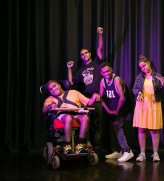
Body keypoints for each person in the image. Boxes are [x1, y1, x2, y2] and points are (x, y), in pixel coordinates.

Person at [66, 26, 105, 155]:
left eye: (86, 53)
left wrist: (100, 34)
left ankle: (97, 149)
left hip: (97, 98)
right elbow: (72, 82)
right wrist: (69, 68)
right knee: (86, 124)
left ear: (90, 54)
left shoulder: (96, 63)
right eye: (82, 54)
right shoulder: (81, 70)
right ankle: (87, 147)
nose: (84, 55)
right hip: (86, 100)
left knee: (97, 125)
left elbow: (100, 48)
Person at [42, 80, 100, 154]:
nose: (53, 89)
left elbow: (89, 102)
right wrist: (50, 106)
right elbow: (44, 110)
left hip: (76, 113)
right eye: (50, 89)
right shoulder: (50, 98)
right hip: (62, 115)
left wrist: (94, 96)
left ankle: (80, 144)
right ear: (50, 92)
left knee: (85, 117)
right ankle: (67, 145)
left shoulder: (74, 92)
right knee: (68, 117)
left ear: (59, 85)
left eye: (54, 86)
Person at [132, 55, 164, 162]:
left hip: (153, 104)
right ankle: (142, 153)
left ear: (148, 63)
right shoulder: (139, 77)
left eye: (144, 65)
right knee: (141, 129)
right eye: (141, 67)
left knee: (154, 130)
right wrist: (138, 93)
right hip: (142, 105)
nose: (143, 68)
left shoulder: (157, 76)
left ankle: (155, 153)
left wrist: (163, 83)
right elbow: (134, 89)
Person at [99, 62, 134, 162]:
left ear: (112, 70)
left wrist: (117, 111)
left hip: (123, 107)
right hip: (113, 108)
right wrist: (108, 110)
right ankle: (119, 151)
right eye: (103, 72)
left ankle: (127, 151)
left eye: (108, 70)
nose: (106, 73)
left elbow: (122, 99)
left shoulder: (117, 80)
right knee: (112, 127)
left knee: (117, 126)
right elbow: (100, 98)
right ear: (101, 73)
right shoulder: (102, 81)